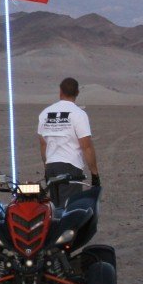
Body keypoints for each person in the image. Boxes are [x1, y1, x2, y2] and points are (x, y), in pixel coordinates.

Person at [35, 77, 98, 207]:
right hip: (70, 166)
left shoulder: (45, 113)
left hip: (51, 166)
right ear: (77, 93)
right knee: (68, 210)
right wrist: (94, 173)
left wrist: (47, 168)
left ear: (60, 92)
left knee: (55, 208)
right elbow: (86, 146)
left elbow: (43, 144)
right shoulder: (78, 114)